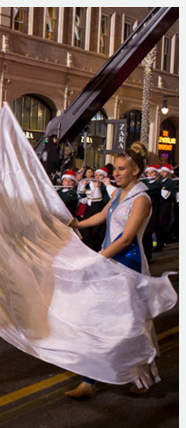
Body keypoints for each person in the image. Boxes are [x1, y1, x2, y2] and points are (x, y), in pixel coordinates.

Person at [66, 142, 158, 398]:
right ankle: (89, 382)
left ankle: (141, 379)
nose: (114, 173)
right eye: (114, 169)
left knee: (128, 326)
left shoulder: (141, 199)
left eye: (121, 169)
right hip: (109, 263)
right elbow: (104, 216)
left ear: (136, 171)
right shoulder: (119, 194)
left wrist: (96, 259)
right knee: (97, 321)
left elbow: (127, 239)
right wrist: (77, 223)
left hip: (128, 267)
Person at [77, 167, 109, 251]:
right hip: (88, 211)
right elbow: (83, 196)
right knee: (85, 232)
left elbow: (99, 201)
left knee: (97, 234)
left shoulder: (104, 187)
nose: (97, 177)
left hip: (99, 212)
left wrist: (97, 187)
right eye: (96, 175)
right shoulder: (90, 185)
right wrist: (83, 185)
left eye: (100, 175)